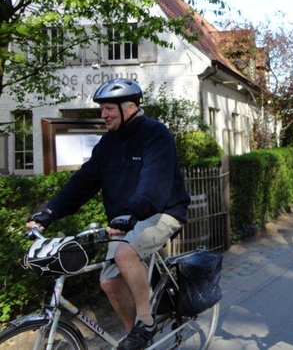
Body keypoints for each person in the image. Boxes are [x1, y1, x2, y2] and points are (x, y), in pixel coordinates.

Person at [27, 78, 191, 350]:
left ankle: (146, 321)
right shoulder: (107, 145)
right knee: (108, 281)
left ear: (129, 108)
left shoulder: (156, 134)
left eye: (108, 109)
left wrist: (131, 213)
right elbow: (82, 183)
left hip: (163, 211)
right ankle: (136, 339)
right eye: (102, 109)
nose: (103, 115)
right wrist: (48, 212)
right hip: (125, 220)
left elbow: (154, 183)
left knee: (124, 253)